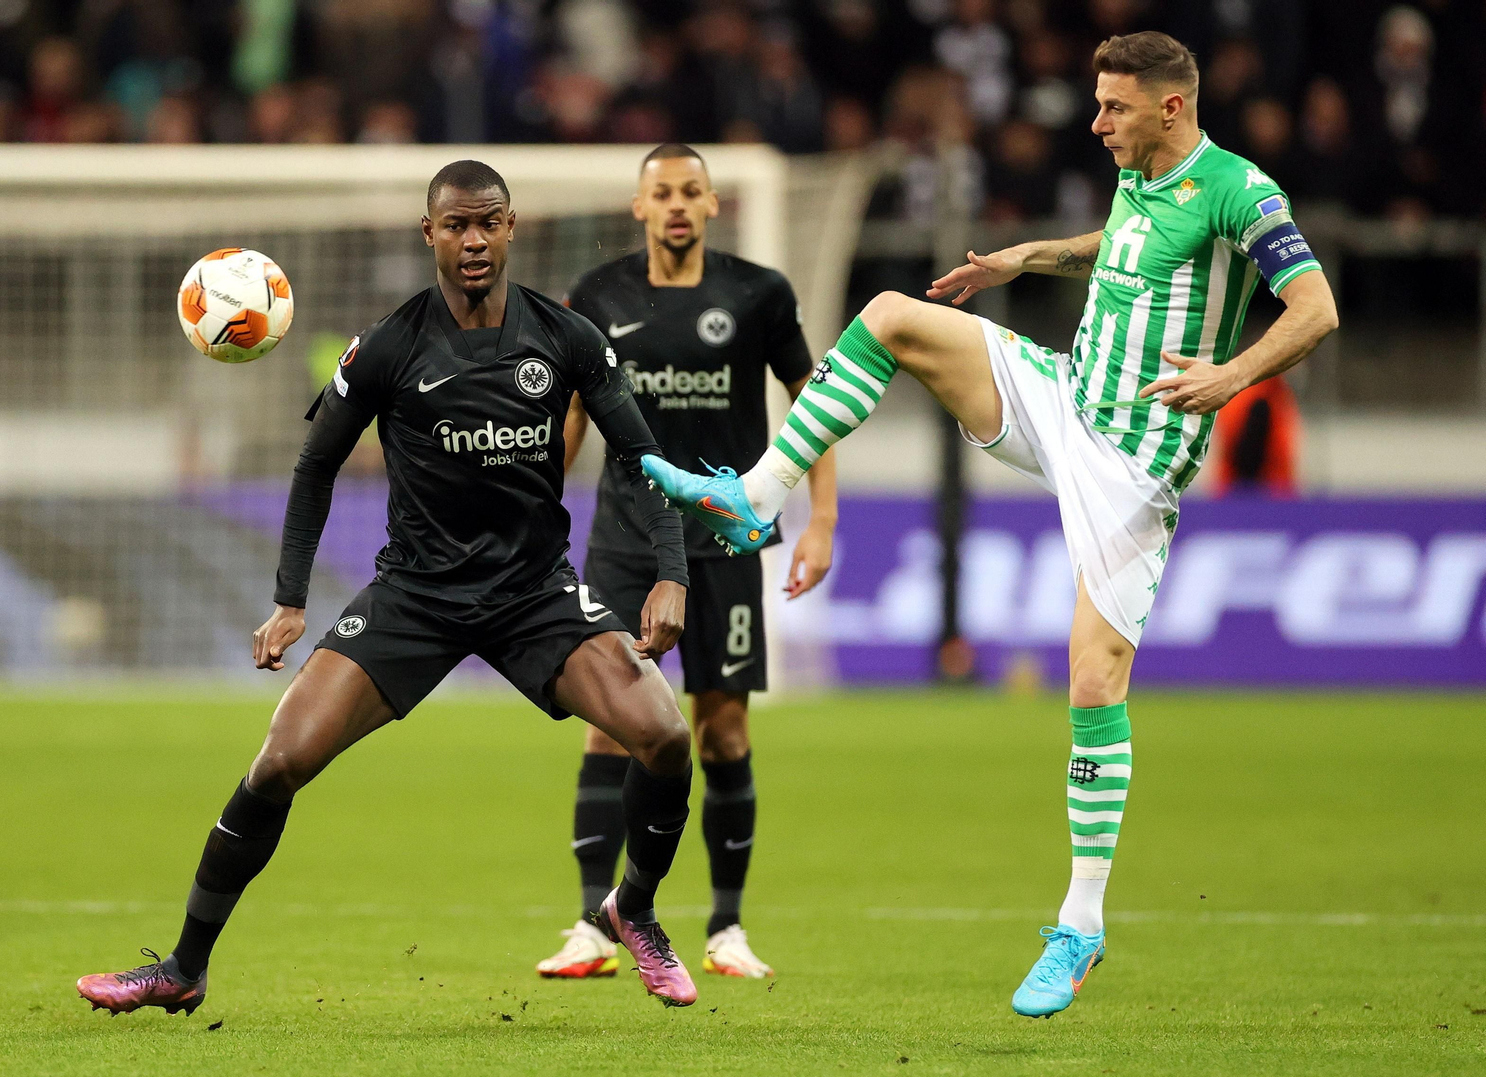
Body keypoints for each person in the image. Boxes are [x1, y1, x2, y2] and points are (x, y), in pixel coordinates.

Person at [643, 32, 1338, 1017]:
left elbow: (1315, 308)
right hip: (1066, 397)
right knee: (889, 316)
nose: (1095, 124)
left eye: (1113, 108)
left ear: (1171, 108)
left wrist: (1227, 379)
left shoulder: (1240, 189)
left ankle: (1081, 923)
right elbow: (1127, 245)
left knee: (1093, 680)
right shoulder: (1143, 175)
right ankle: (755, 496)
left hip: (1133, 467)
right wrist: (1031, 257)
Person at [76, 160, 704, 1014]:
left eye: (488, 223)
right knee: (279, 760)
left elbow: (645, 457)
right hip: (415, 596)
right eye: (456, 225)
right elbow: (316, 463)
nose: (474, 240)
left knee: (666, 735)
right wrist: (291, 597)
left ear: (512, 227)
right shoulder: (387, 346)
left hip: (534, 595)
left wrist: (670, 574)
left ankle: (634, 907)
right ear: (430, 234)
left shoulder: (567, 337)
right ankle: (183, 967)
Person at [536, 144, 836, 982]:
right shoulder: (599, 297)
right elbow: (570, 419)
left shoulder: (758, 293)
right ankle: (592, 923)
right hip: (624, 540)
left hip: (727, 540)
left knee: (722, 726)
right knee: (608, 722)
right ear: (638, 208)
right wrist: (534, 511)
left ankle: (728, 927)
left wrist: (821, 522)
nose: (675, 204)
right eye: (660, 192)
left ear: (712, 205)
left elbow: (816, 403)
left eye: (690, 192)